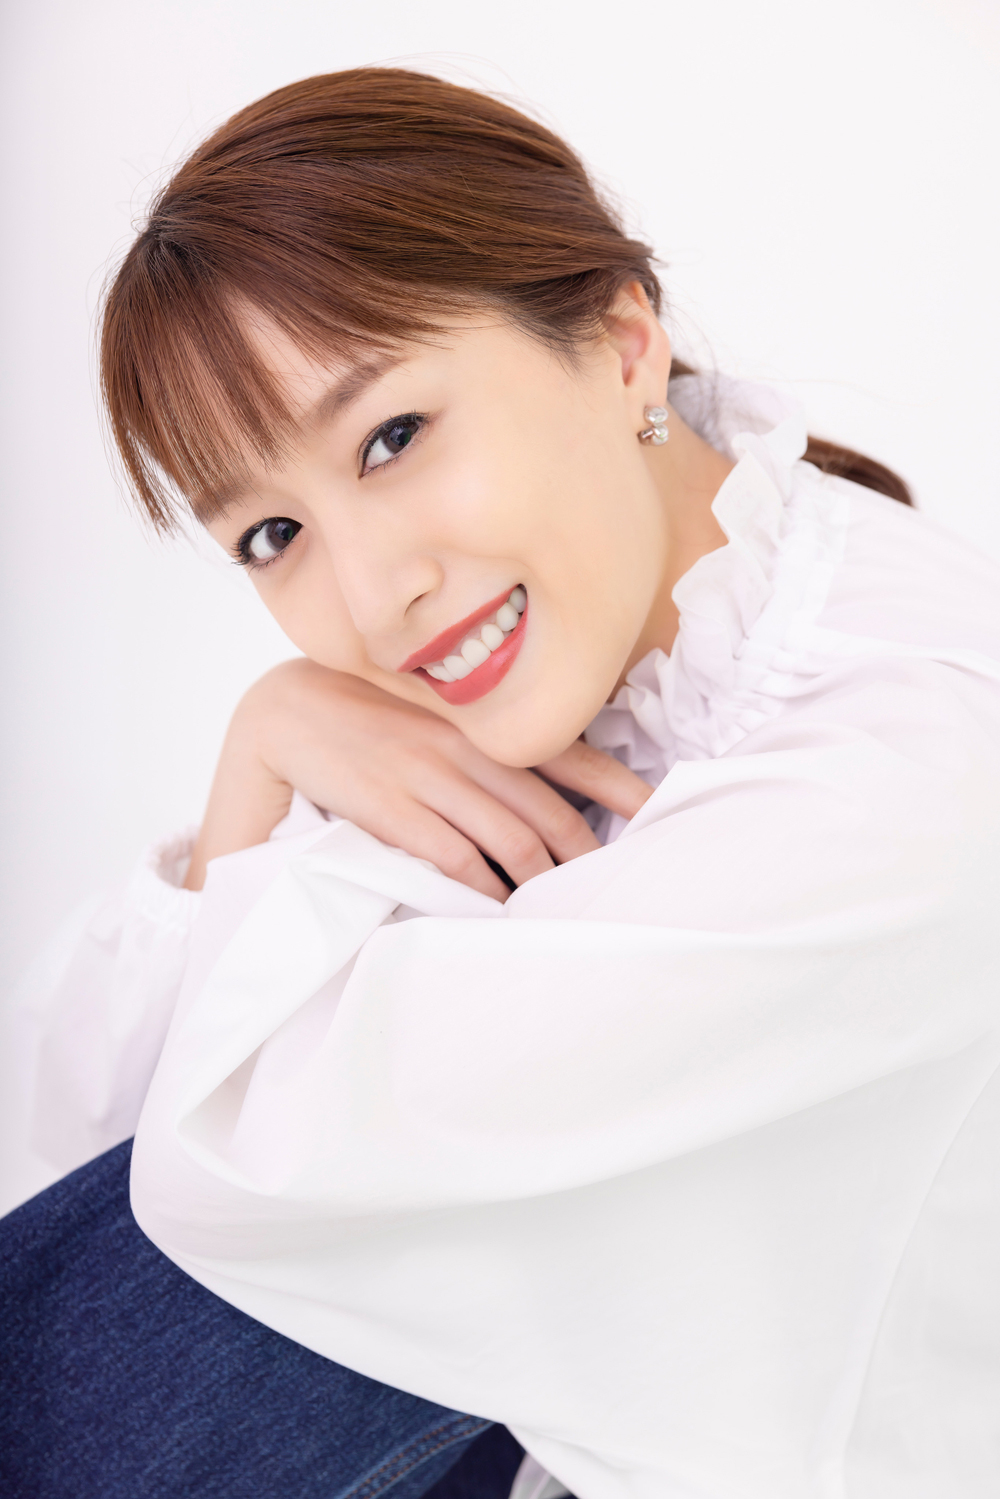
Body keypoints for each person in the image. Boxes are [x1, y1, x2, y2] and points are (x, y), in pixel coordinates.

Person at [4, 66, 1000, 1499]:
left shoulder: (897, 761)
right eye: (274, 536)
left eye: (391, 439)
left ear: (622, 344)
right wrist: (263, 741)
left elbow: (230, 1190)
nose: (373, 600)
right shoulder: (579, 668)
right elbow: (89, 1152)